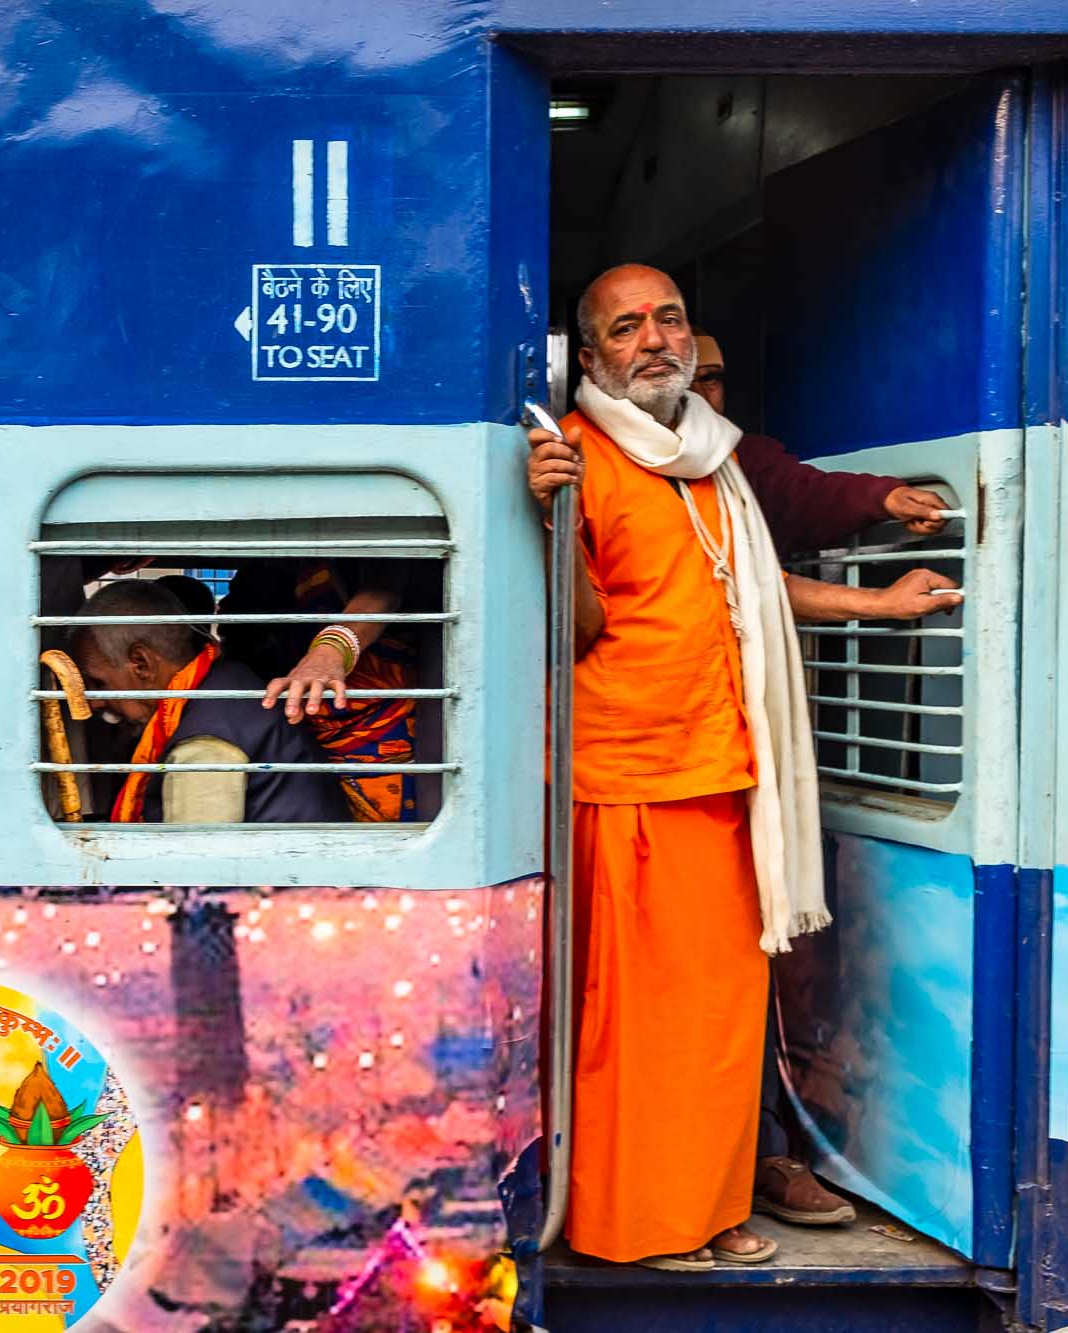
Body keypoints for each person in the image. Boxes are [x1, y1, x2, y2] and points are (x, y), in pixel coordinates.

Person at [525, 263, 962, 1271]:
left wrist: (881, 604)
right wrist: (545, 516)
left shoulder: (714, 461)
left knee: (719, 1018)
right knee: (632, 1028)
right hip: (628, 777)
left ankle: (707, 1208)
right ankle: (638, 1225)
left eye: (667, 319)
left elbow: (750, 589)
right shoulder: (576, 455)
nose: (653, 339)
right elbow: (578, 626)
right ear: (588, 359)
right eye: (625, 327)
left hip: (729, 769)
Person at [66, 579, 346, 824]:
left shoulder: (203, 746)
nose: (95, 703)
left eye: (99, 683)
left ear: (141, 664)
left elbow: (192, 873)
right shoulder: (228, 678)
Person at [692, 327, 951, 554]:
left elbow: (809, 494)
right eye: (685, 383)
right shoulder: (651, 471)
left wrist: (888, 497)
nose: (699, 395)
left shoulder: (748, 457)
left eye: (709, 378)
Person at [239, 559, 425, 822]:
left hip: (383, 743)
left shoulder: (360, 547)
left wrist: (332, 650)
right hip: (324, 760)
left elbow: (382, 592)